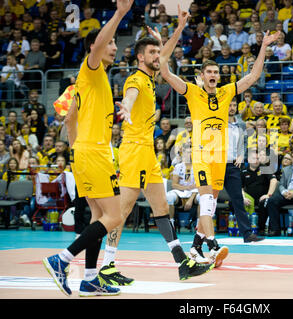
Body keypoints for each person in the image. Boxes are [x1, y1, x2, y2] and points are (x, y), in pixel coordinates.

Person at [158, 4, 280, 267]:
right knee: (204, 200)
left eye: (216, 72)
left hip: (220, 156)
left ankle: (194, 249)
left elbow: (254, 75)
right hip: (202, 153)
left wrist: (263, 47)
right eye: (209, 73)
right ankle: (212, 248)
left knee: (210, 205)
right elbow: (165, 72)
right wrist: (179, 27)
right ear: (201, 76)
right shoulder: (192, 91)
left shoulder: (226, 92)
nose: (213, 75)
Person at [99, 32, 214, 285]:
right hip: (133, 151)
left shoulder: (151, 79)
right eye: (151, 53)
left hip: (147, 153)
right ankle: (106, 266)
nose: (157, 56)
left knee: (161, 209)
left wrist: (179, 28)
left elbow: (165, 53)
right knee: (122, 211)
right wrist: (126, 105)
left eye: (156, 53)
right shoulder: (136, 80)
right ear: (140, 57)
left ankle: (183, 263)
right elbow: (129, 94)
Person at [42, 0, 135, 298]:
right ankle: (63, 260)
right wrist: (120, 14)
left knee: (98, 217)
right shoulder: (91, 68)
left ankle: (91, 279)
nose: (114, 48)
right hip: (94, 153)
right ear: (95, 46)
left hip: (84, 152)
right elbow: (97, 48)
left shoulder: (99, 81)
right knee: (115, 216)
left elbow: (72, 120)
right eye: (108, 45)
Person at [220, 98, 265, 245]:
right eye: (229, 105)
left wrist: (241, 156)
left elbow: (244, 144)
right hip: (217, 165)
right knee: (210, 199)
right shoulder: (217, 122)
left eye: (233, 105)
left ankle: (247, 234)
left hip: (233, 166)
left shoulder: (240, 124)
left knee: (238, 200)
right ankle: (203, 234)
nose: (231, 108)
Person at [242, 150, 278, 236]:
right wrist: (243, 198)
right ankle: (243, 228)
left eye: (257, 158)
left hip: (263, 197)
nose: (256, 160)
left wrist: (268, 195)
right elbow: (240, 187)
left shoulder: (265, 168)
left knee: (264, 203)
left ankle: (261, 228)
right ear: (249, 160)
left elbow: (274, 180)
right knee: (235, 202)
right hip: (249, 198)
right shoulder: (243, 171)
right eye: (253, 158)